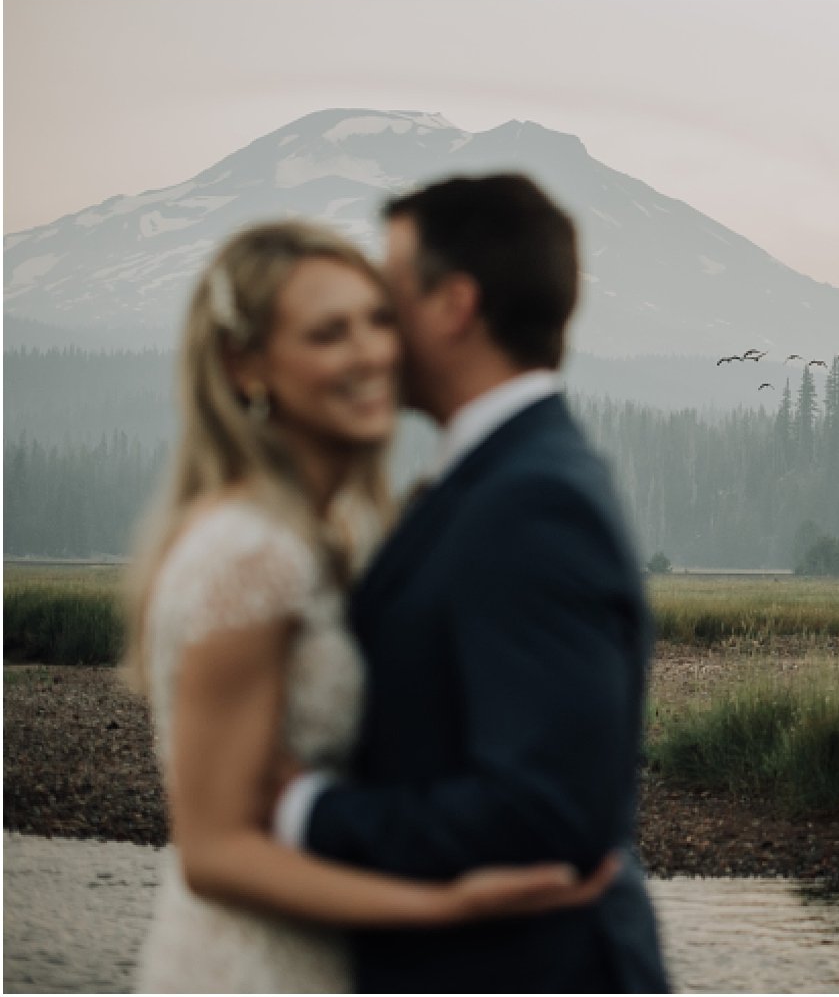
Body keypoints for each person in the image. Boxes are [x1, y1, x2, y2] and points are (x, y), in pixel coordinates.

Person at [125, 222, 621, 993]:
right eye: (329, 334)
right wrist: (446, 908)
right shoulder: (248, 551)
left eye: (378, 321)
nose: (371, 354)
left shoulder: (340, 533)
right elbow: (214, 853)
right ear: (243, 365)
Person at [272, 174, 670, 992]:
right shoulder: (496, 478)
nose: (375, 333)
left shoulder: (533, 501)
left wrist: (306, 811)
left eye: (388, 299)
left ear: (454, 306)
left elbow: (545, 812)